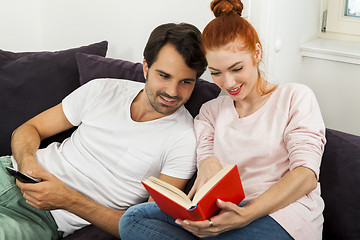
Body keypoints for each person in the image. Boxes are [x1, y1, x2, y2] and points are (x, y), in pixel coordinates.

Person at [118, 0, 326, 239]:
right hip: (223, 213)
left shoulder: (294, 97)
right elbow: (207, 162)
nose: (228, 84)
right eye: (216, 73)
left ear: (256, 53)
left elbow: (306, 175)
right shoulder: (209, 112)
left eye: (237, 68)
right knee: (134, 218)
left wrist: (245, 216)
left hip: (282, 216)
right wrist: (206, 163)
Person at [0, 22, 207, 239]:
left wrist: (67, 199)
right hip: (9, 171)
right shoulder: (103, 89)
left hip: (42, 217)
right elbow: (29, 128)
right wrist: (27, 164)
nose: (172, 91)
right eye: (164, 76)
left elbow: (146, 228)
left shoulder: (184, 140)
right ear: (146, 67)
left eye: (186, 82)